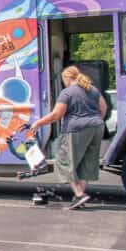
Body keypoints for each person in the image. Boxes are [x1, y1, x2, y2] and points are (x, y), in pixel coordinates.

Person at [26, 66, 107, 210]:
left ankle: (79, 194)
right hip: (97, 126)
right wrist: (95, 121)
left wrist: (38, 123)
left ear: (67, 78)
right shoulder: (93, 89)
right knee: (85, 163)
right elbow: (104, 108)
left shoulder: (67, 92)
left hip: (76, 129)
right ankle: (79, 196)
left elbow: (56, 114)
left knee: (64, 162)